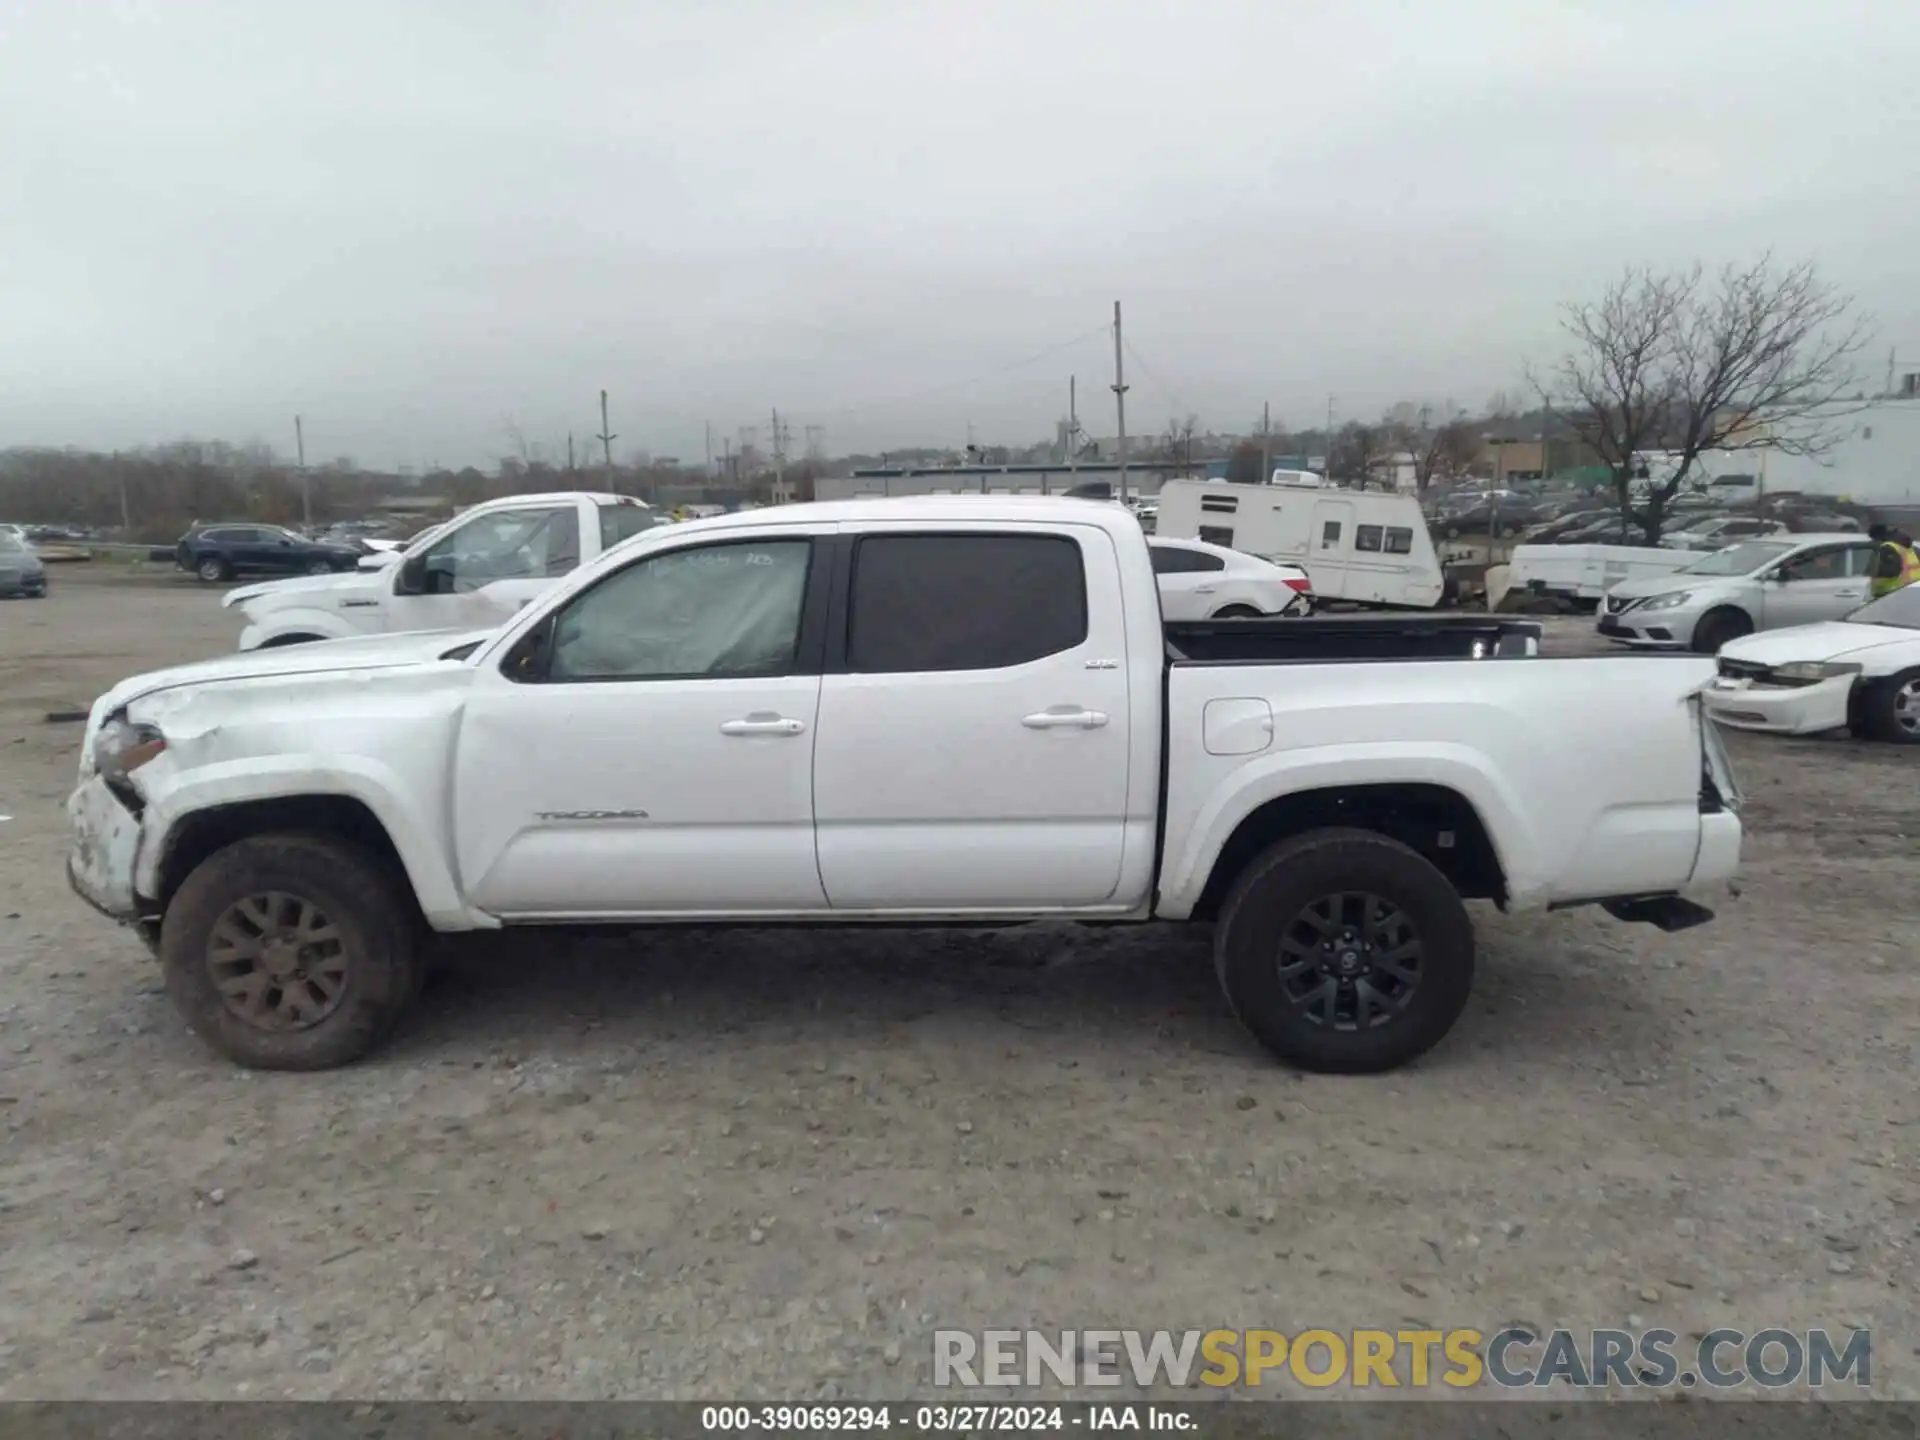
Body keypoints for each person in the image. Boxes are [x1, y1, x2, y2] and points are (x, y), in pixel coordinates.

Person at [1868, 523, 1920, 598]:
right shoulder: (1912, 548)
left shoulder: (1887, 548)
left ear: (1878, 537)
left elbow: (1888, 572)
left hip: (1892, 595)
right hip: (1913, 593)